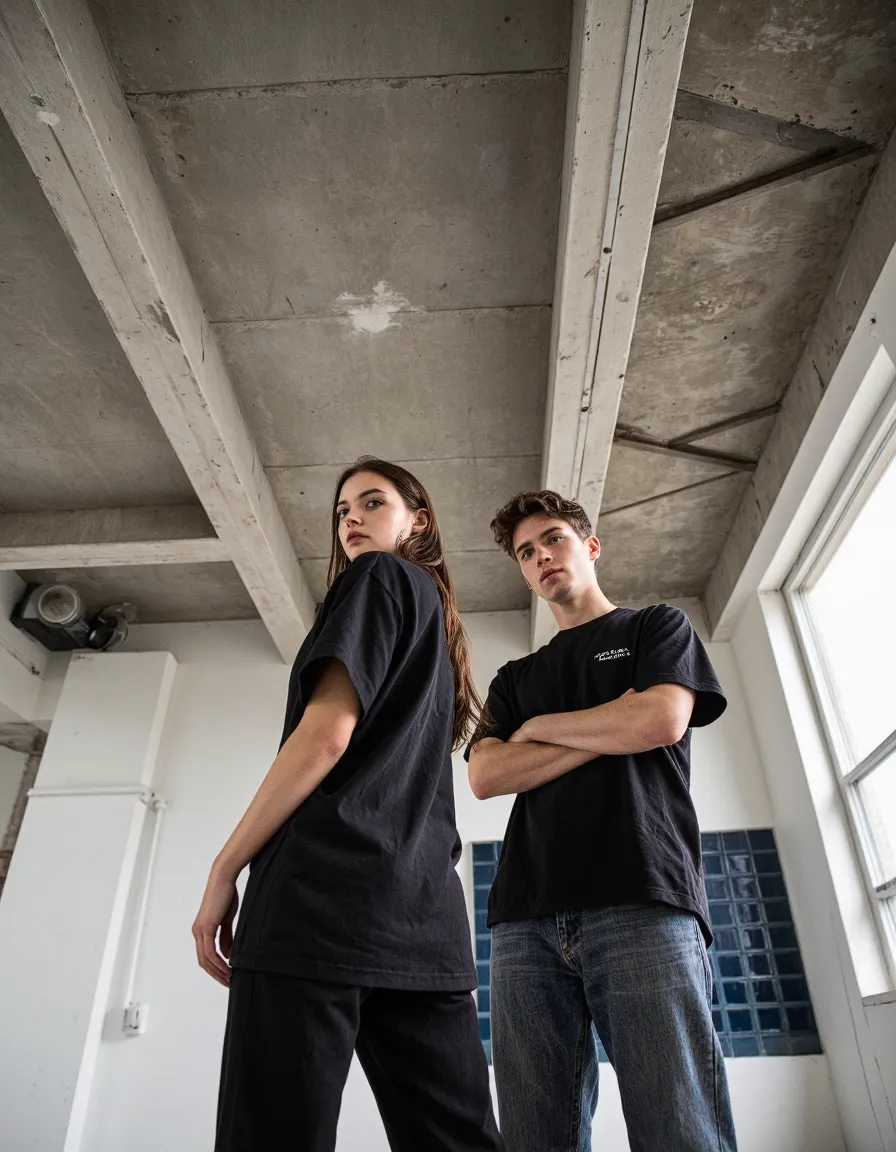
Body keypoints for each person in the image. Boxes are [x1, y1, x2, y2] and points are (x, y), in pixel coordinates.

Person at [193, 457, 503, 1152]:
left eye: (372, 502)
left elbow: (326, 736)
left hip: (317, 903)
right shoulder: (440, 626)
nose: (351, 519)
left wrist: (223, 870)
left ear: (417, 521)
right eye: (341, 511)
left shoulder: (375, 577)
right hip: (423, 918)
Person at [467, 490, 738, 1152]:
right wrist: (608, 725)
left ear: (589, 546)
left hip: (642, 899)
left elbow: (661, 719)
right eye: (526, 552)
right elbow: (485, 776)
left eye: (553, 539)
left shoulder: (656, 628)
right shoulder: (514, 676)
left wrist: (540, 730)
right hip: (525, 920)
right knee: (535, 1139)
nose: (541, 558)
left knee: (680, 1129)